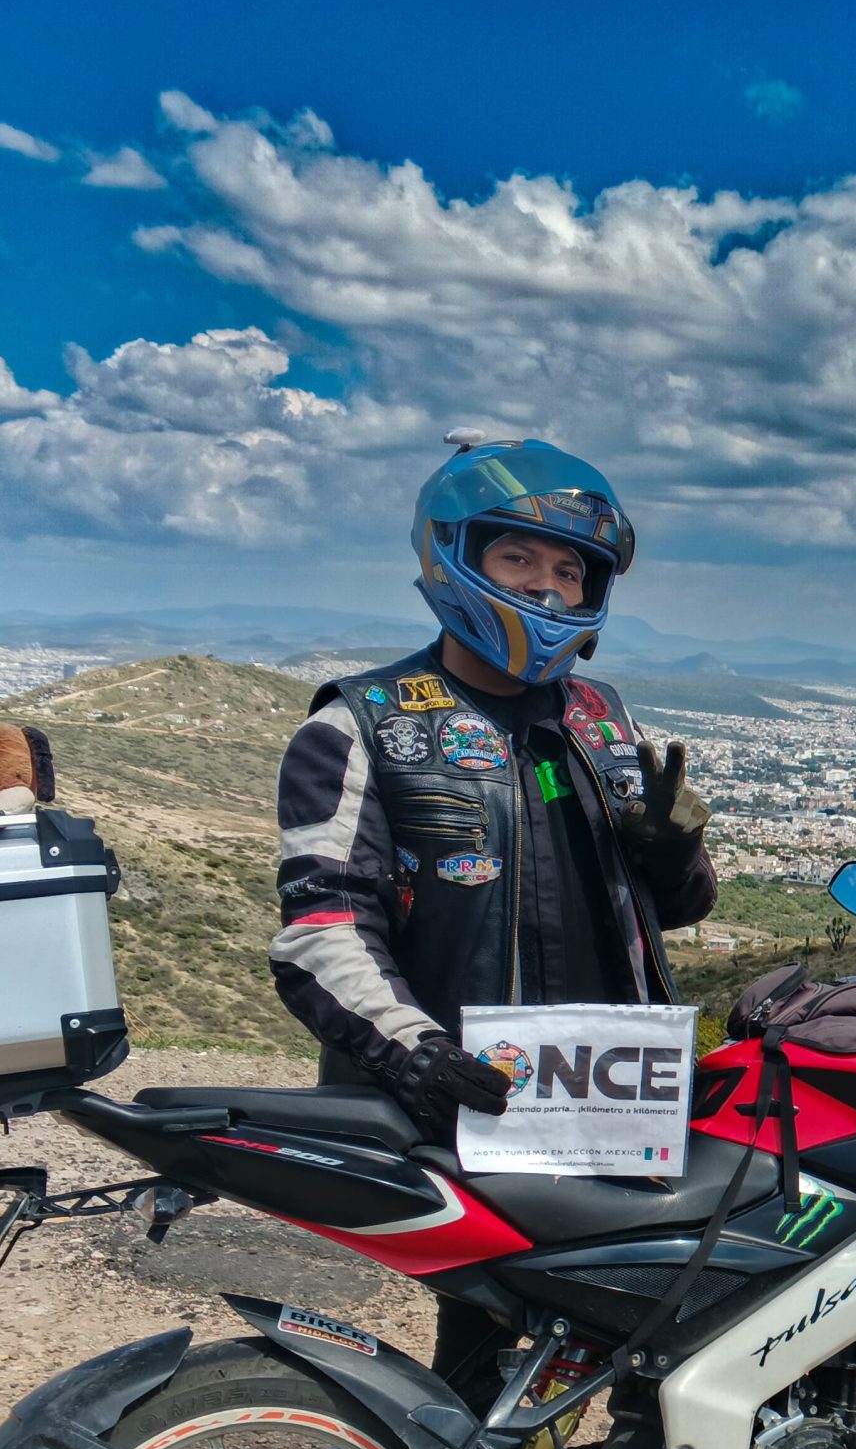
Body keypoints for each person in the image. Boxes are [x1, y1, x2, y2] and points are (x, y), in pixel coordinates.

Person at [270, 433, 717, 1139]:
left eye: (570, 570)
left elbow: (678, 909)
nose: (546, 586)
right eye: (518, 558)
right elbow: (324, 927)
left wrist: (672, 850)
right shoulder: (359, 723)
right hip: (444, 1099)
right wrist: (416, 1053)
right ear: (454, 554)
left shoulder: (602, 716)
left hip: (610, 1091)